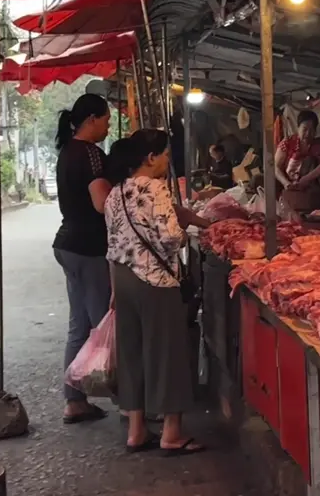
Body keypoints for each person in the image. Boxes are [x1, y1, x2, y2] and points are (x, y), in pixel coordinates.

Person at [104, 129, 210, 454]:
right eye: (164, 155)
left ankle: (136, 431)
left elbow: (112, 243)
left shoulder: (115, 192)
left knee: (132, 353)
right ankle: (171, 434)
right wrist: (185, 231)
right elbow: (171, 238)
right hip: (154, 281)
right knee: (167, 353)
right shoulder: (155, 188)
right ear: (150, 158)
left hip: (123, 279)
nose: (166, 161)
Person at [52, 93, 112, 424]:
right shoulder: (90, 153)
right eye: (105, 120)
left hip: (68, 245)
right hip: (88, 247)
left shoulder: (67, 151)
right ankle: (128, 402)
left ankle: (74, 400)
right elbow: (102, 203)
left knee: (80, 324)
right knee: (105, 324)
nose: (107, 127)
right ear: (91, 120)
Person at [275, 110, 320, 189]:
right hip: (286, 185)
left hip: (308, 187)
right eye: (305, 129)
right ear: (298, 128)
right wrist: (286, 183)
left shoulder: (317, 148)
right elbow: (276, 167)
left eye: (311, 130)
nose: (308, 134)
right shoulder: (287, 143)